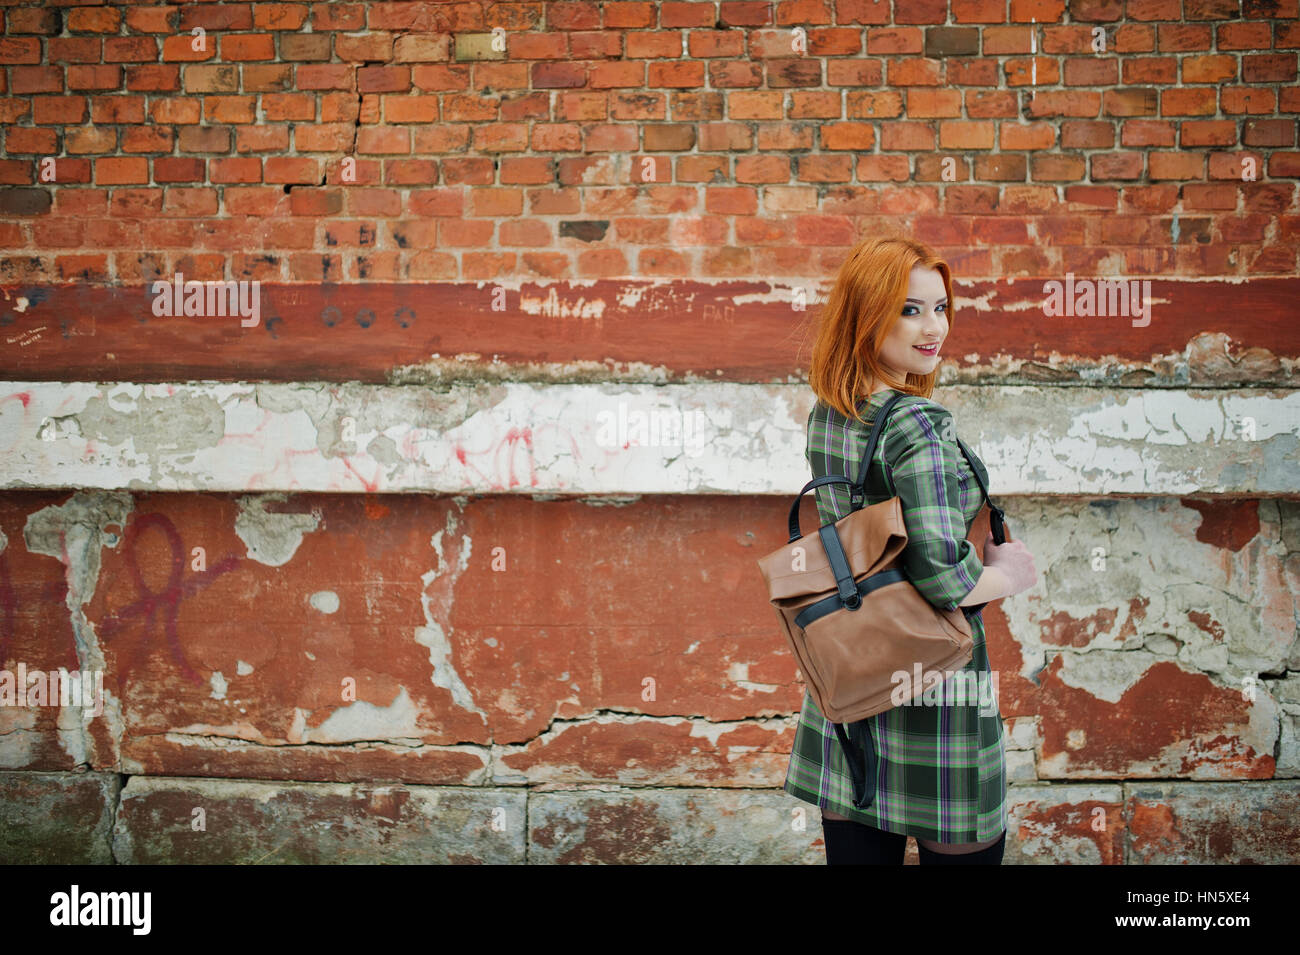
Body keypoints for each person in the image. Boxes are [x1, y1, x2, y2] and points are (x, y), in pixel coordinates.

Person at [784, 236, 1039, 865]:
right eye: (910, 310)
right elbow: (946, 581)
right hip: (937, 688)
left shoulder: (833, 411)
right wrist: (1009, 573)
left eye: (941, 307)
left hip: (853, 672)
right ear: (866, 314)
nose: (935, 329)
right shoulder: (917, 423)